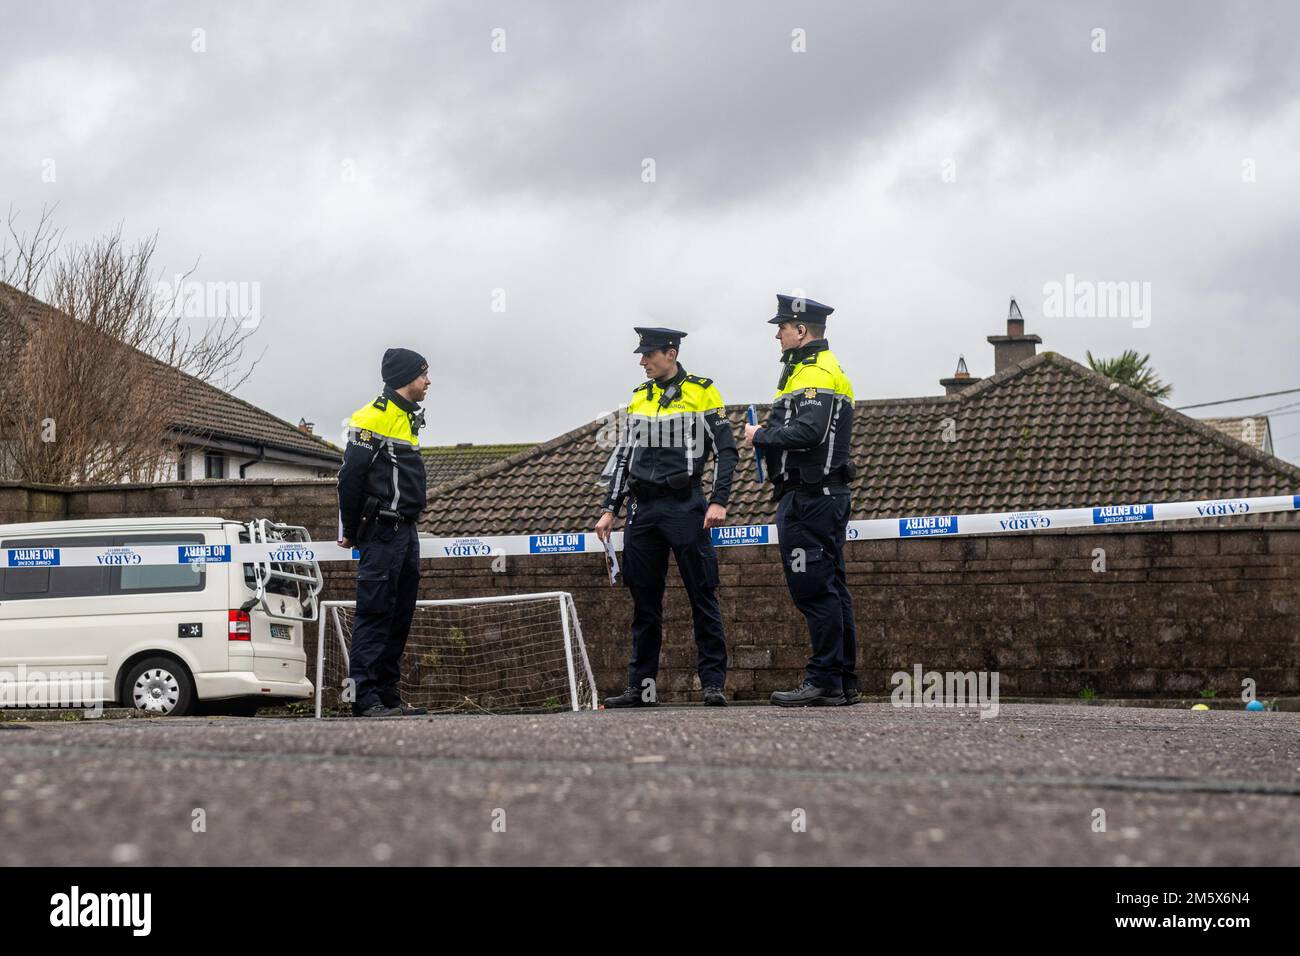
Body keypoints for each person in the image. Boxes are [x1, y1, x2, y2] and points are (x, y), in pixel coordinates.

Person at [595, 327, 738, 707]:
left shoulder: (703, 391)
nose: (642, 362)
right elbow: (623, 457)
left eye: (649, 355)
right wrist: (611, 508)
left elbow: (727, 452)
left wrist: (718, 501)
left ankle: (712, 684)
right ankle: (641, 690)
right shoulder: (639, 397)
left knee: (701, 595)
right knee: (644, 602)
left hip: (685, 506)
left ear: (670, 353)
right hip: (642, 510)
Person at [744, 295, 859, 706]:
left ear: (802, 331)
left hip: (810, 497)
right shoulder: (812, 370)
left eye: (782, 327)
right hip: (822, 495)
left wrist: (761, 437)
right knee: (832, 588)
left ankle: (824, 679)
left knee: (813, 589)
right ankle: (841, 682)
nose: (777, 334)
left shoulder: (815, 372)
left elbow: (809, 432)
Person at [337, 348, 431, 718]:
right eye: (424, 374)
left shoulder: (407, 418)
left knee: (400, 613)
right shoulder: (370, 418)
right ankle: (364, 696)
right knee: (375, 612)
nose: (428, 381)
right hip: (381, 531)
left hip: (406, 531)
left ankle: (387, 691)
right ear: (407, 377)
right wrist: (349, 528)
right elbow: (349, 479)